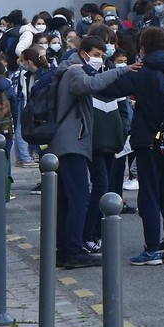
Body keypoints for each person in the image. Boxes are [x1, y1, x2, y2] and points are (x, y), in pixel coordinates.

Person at [101, 27, 164, 266]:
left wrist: (123, 70)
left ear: (143, 48)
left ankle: (151, 250)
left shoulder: (142, 71)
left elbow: (107, 90)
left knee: (149, 194)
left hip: (148, 139)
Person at [51, 36, 134, 269]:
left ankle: (64, 249)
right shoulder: (75, 71)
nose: (100, 58)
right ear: (84, 53)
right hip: (72, 143)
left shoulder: (72, 70)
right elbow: (92, 85)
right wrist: (122, 70)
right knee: (79, 199)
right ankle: (74, 251)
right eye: (97, 54)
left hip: (68, 142)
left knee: (67, 200)